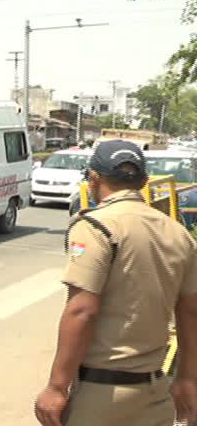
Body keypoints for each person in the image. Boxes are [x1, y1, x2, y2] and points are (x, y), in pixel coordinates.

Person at [34, 139, 197, 426]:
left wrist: (57, 387)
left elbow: (83, 310)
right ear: (144, 181)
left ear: (94, 178)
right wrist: (187, 378)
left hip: (101, 396)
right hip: (155, 393)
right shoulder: (179, 234)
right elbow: (190, 312)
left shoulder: (96, 226)